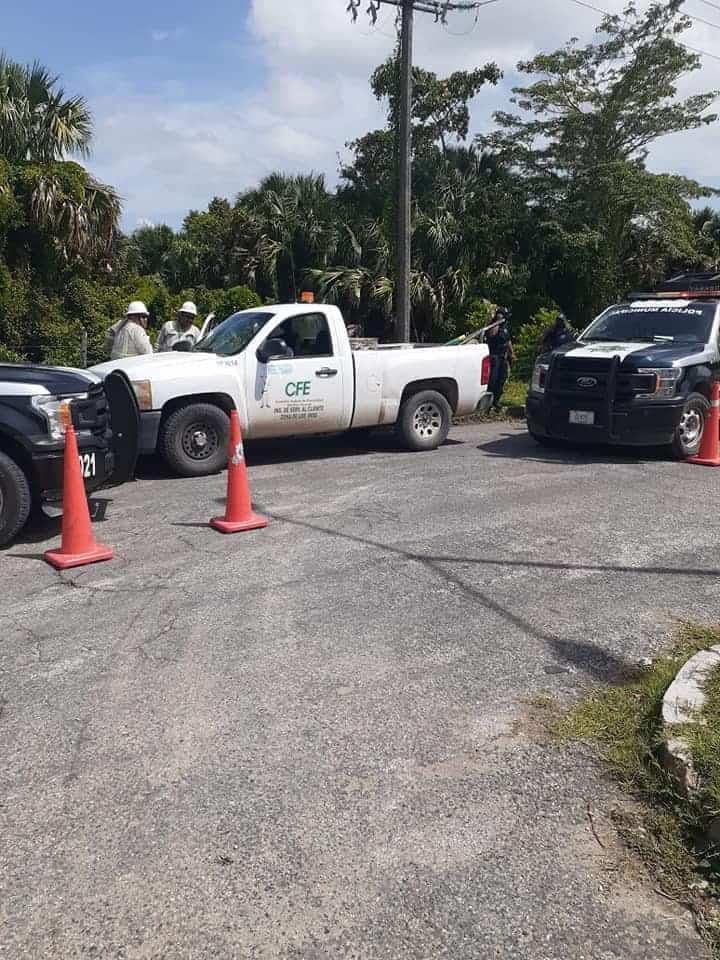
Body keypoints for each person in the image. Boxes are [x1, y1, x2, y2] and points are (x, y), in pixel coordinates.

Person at [486, 308, 514, 411]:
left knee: (502, 379)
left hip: (503, 357)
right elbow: (491, 334)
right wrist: (497, 321)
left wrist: (512, 354)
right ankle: (488, 404)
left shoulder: (506, 327)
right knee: (492, 380)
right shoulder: (493, 325)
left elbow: (508, 340)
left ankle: (496, 402)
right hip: (494, 357)